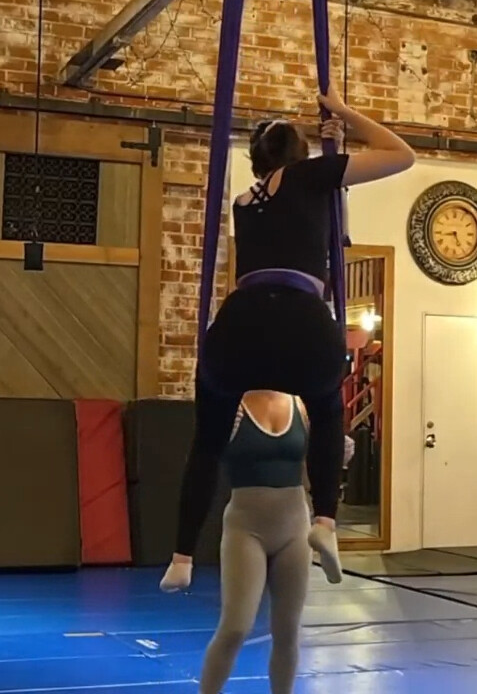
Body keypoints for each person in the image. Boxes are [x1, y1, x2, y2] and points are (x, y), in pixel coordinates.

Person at [161, 85, 415, 592]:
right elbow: (400, 155)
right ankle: (324, 520)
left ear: (258, 160)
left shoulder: (244, 201)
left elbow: (318, 219)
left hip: (243, 322)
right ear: (301, 155)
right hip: (301, 319)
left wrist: (330, 158)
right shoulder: (309, 177)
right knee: (327, 413)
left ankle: (182, 555)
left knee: (207, 441)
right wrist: (343, 114)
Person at [184, 390, 319, 694]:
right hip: (246, 531)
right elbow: (202, 466)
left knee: (287, 631)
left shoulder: (300, 404)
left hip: (295, 527)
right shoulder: (233, 406)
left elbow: (309, 470)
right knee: (235, 627)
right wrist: (183, 553)